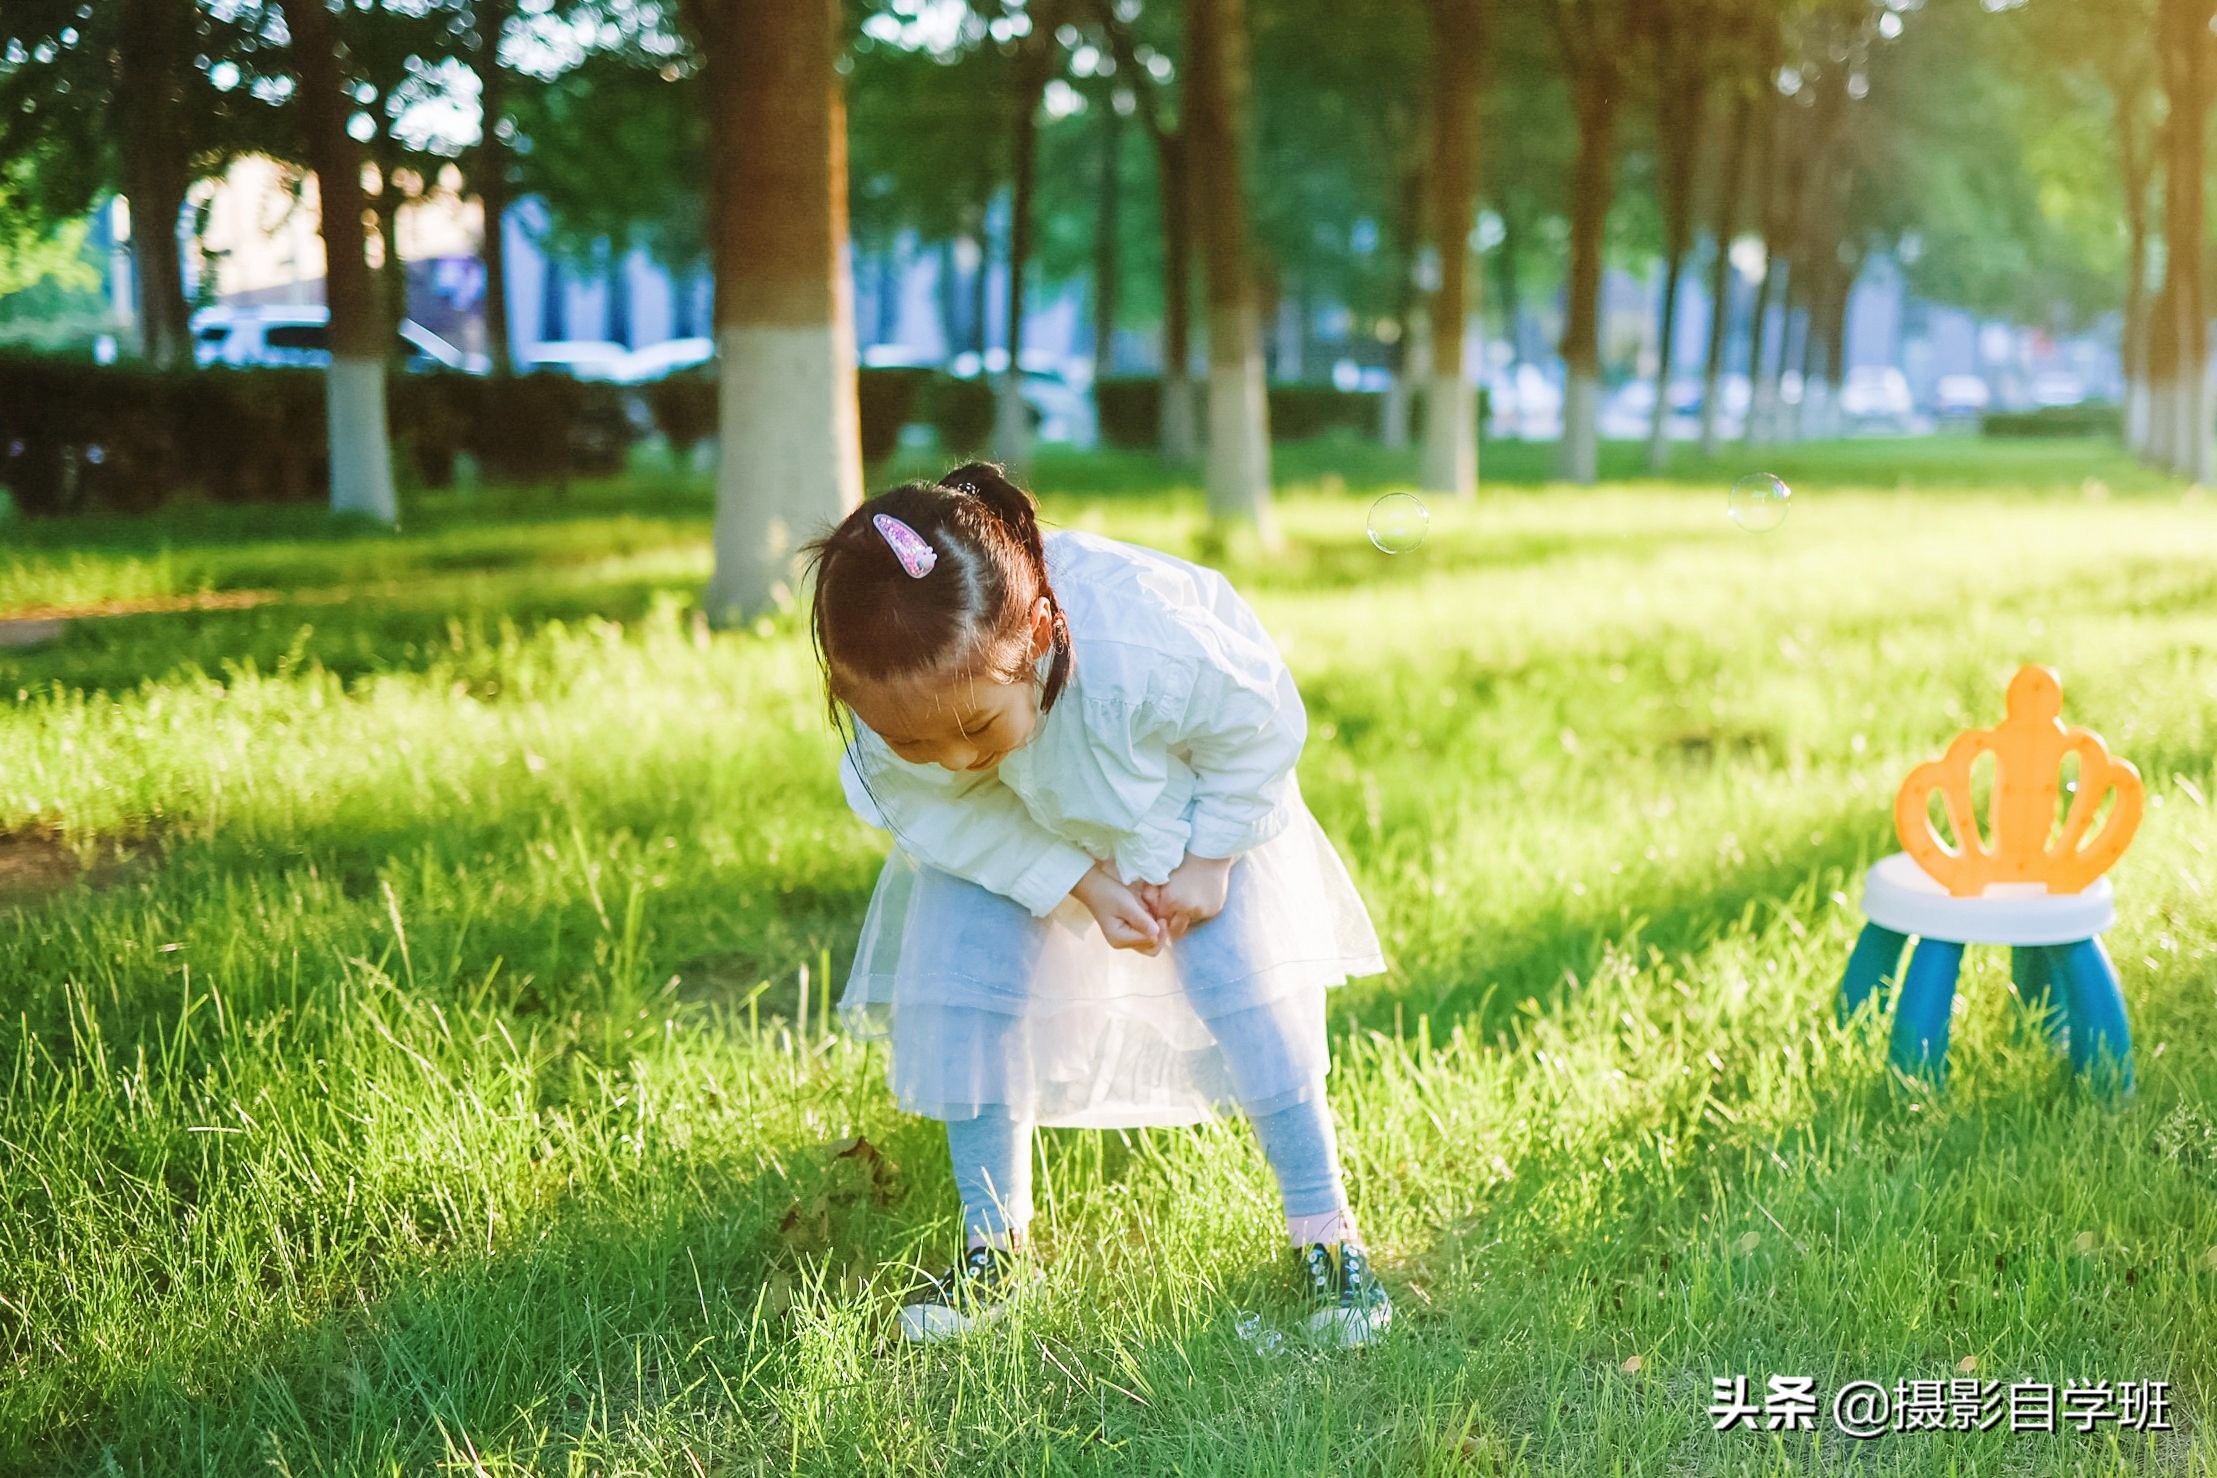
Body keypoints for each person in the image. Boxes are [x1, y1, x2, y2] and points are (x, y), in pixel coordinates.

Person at [805, 462, 1390, 1347]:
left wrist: (1210, 858)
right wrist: (1072, 878)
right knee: (969, 990)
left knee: (1247, 990)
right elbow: (938, 809)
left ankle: (1325, 1231)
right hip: (1006, 837)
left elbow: (1258, 726)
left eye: (977, 728)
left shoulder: (1143, 639)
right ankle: (994, 1247)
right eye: (913, 741)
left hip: (1191, 811)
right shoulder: (902, 701)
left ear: (1039, 635)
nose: (954, 760)